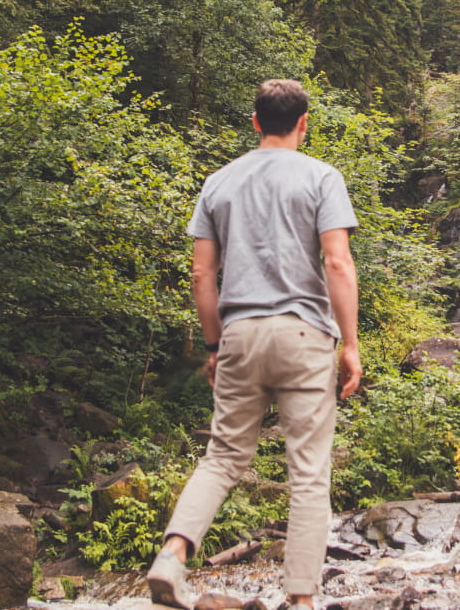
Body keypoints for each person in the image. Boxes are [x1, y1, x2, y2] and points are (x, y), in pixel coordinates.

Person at [146, 79, 364, 610]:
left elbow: (202, 275)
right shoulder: (321, 176)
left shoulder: (219, 182)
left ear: (255, 121)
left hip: (240, 334)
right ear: (304, 123)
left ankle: (172, 557)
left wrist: (215, 345)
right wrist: (351, 344)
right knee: (309, 473)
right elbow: (336, 262)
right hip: (304, 334)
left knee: (221, 457)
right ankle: (301, 599)